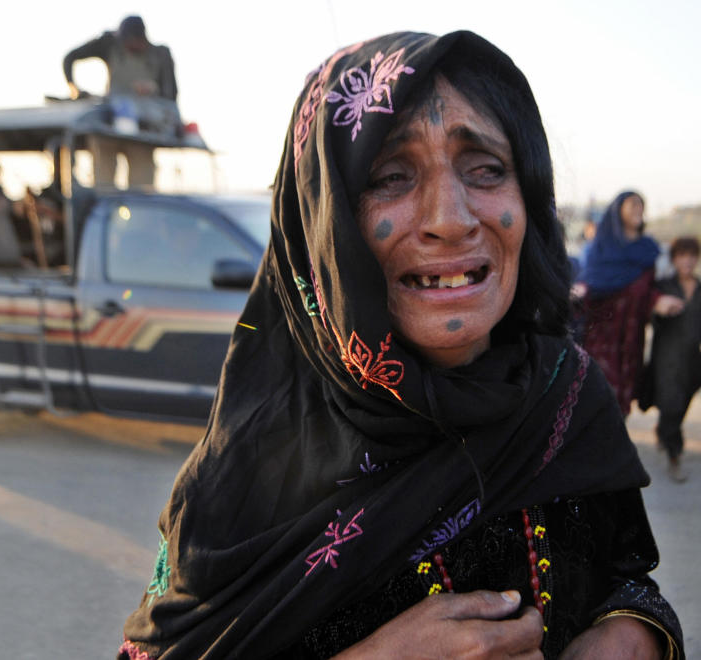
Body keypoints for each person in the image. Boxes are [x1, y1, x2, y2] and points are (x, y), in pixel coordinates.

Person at [117, 31, 682, 659]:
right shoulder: (240, 484)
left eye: (487, 169)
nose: (451, 217)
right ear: (323, 222)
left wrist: (632, 634)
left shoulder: (568, 396)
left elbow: (623, 577)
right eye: (391, 176)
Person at [576, 191, 683, 416]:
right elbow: (591, 281)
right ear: (617, 210)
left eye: (642, 205)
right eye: (633, 204)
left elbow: (651, 287)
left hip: (632, 335)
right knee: (599, 393)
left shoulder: (648, 250)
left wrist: (658, 300)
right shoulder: (602, 247)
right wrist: (580, 291)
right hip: (602, 336)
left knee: (622, 398)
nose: (639, 209)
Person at [62, 15, 179, 188]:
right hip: (110, 127)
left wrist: (153, 89)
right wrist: (74, 88)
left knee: (142, 190)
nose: (128, 45)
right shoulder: (110, 44)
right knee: (103, 186)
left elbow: (171, 95)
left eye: (132, 41)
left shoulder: (160, 54)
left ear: (142, 39)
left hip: (144, 132)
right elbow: (70, 58)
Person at [640, 236, 701, 482]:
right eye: (682, 255)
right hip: (665, 359)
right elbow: (646, 312)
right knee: (672, 405)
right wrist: (658, 308)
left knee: (680, 405)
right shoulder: (662, 287)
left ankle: (664, 431)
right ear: (674, 259)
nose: (687, 260)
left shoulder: (700, 288)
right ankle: (674, 456)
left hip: (693, 361)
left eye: (692, 255)